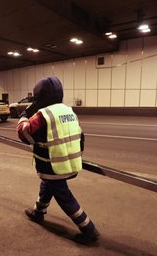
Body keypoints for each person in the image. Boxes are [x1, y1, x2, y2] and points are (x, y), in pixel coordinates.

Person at [17, 76, 100, 245]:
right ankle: (39, 212)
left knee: (64, 197)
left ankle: (88, 229)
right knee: (47, 186)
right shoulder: (68, 111)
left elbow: (24, 133)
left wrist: (26, 114)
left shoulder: (43, 115)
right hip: (69, 163)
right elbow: (80, 136)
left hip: (52, 165)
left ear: (39, 96)